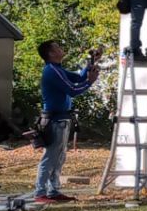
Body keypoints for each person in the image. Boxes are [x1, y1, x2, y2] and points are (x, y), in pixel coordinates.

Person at [34, 39, 101, 202]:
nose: (61, 49)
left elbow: (78, 78)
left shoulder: (57, 69)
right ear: (50, 53)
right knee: (50, 156)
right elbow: (73, 90)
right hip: (55, 120)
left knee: (59, 157)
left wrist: (92, 63)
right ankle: (40, 192)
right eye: (57, 47)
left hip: (61, 119)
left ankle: (53, 191)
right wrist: (89, 82)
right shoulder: (51, 70)